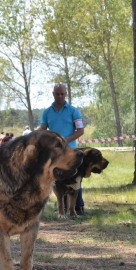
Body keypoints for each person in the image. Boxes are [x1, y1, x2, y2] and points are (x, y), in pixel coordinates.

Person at [39, 83, 85, 214]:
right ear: (53, 94)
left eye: (62, 94)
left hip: (71, 152)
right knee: (57, 180)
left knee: (75, 179)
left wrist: (65, 141)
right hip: (54, 154)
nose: (60, 96)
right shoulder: (47, 112)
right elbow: (43, 129)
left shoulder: (73, 111)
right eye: (57, 94)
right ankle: (61, 208)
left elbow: (80, 130)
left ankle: (78, 206)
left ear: (65, 94)